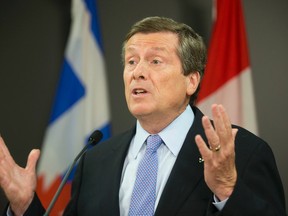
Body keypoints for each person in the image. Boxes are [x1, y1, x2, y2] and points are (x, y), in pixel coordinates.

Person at [0, 16, 286, 216]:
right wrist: (26, 207)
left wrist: (226, 189)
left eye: (155, 61)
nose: (137, 72)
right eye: (131, 61)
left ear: (192, 81)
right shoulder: (95, 161)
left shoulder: (241, 153)